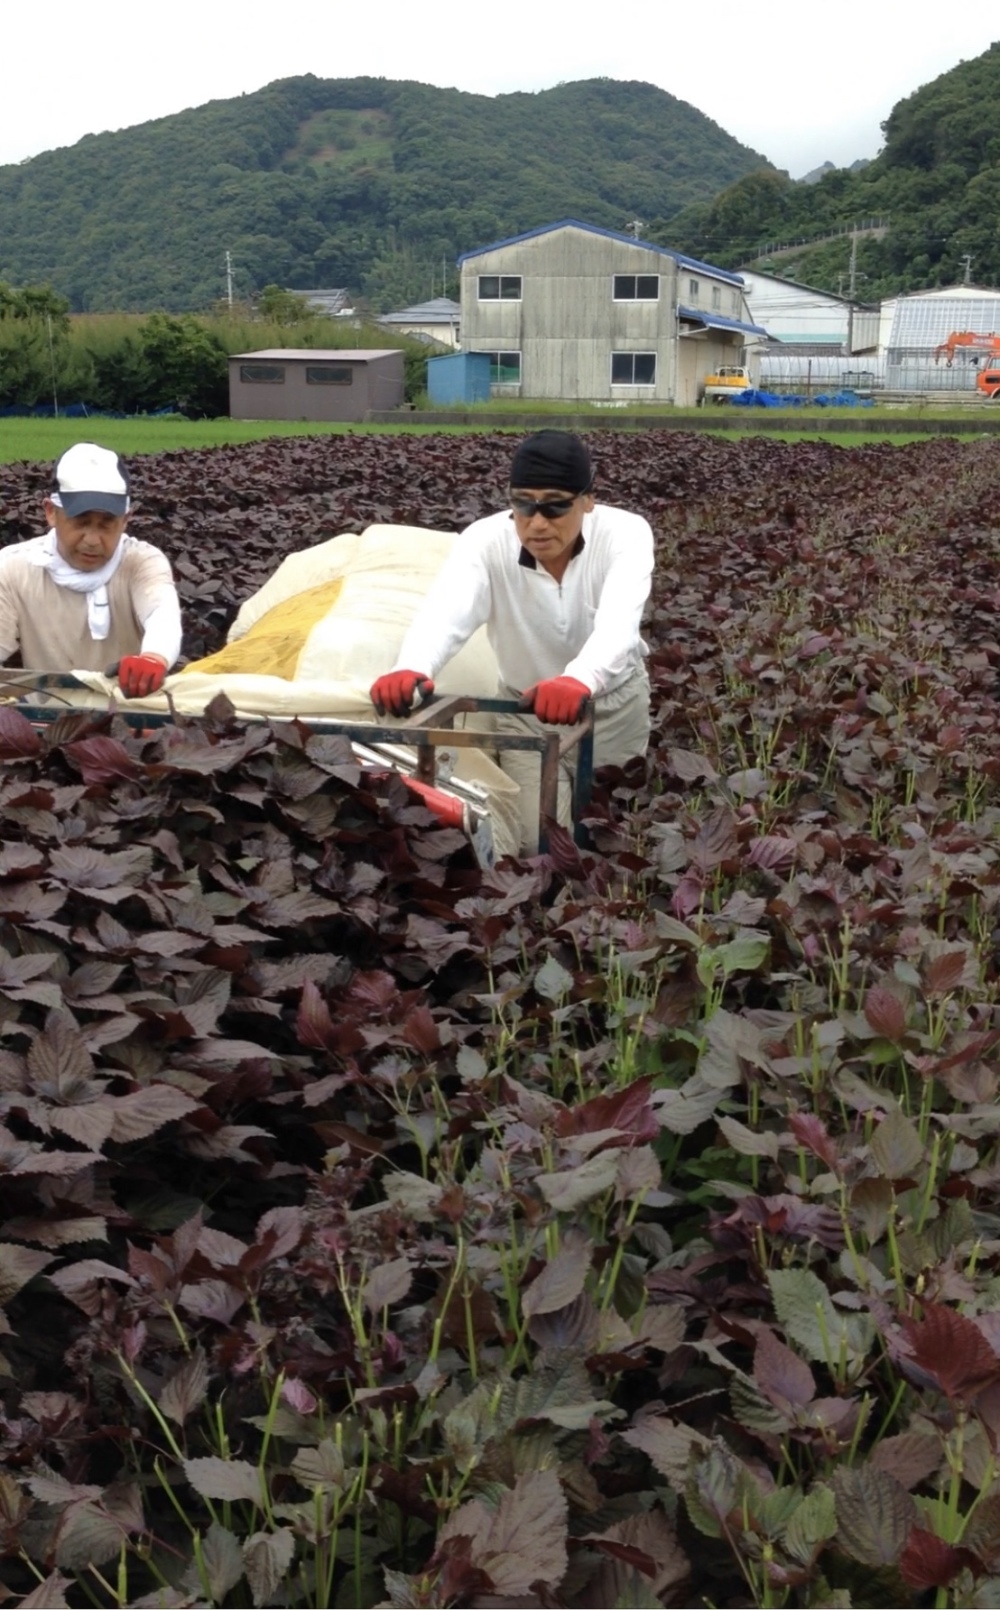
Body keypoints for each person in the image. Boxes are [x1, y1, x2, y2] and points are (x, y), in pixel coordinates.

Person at [370, 429, 654, 851]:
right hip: (525, 712)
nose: (537, 523)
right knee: (541, 842)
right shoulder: (484, 542)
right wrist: (413, 665)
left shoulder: (626, 535)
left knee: (610, 832)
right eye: (523, 504)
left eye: (555, 506)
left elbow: (619, 624)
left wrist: (580, 679)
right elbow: (447, 613)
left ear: (588, 500)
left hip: (612, 704)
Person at [0, 442, 182, 696]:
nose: (92, 540)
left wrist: (153, 658)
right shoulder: (14, 567)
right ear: (51, 513)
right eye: (81, 522)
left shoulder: (141, 562)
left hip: (130, 711)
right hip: (51, 714)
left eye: (106, 525)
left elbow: (162, 616)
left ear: (126, 520)